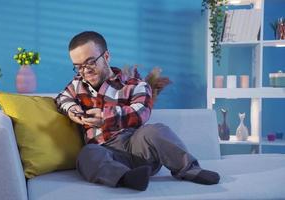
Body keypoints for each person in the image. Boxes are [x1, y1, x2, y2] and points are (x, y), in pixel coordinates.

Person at [55, 31, 220, 191]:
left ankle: (190, 170)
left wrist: (105, 117)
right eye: (78, 67)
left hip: (137, 147)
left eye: (90, 62)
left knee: (156, 130)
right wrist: (72, 109)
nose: (85, 71)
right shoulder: (77, 85)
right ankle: (126, 178)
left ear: (106, 57)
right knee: (87, 154)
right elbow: (62, 99)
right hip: (104, 152)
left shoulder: (135, 85)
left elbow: (141, 112)